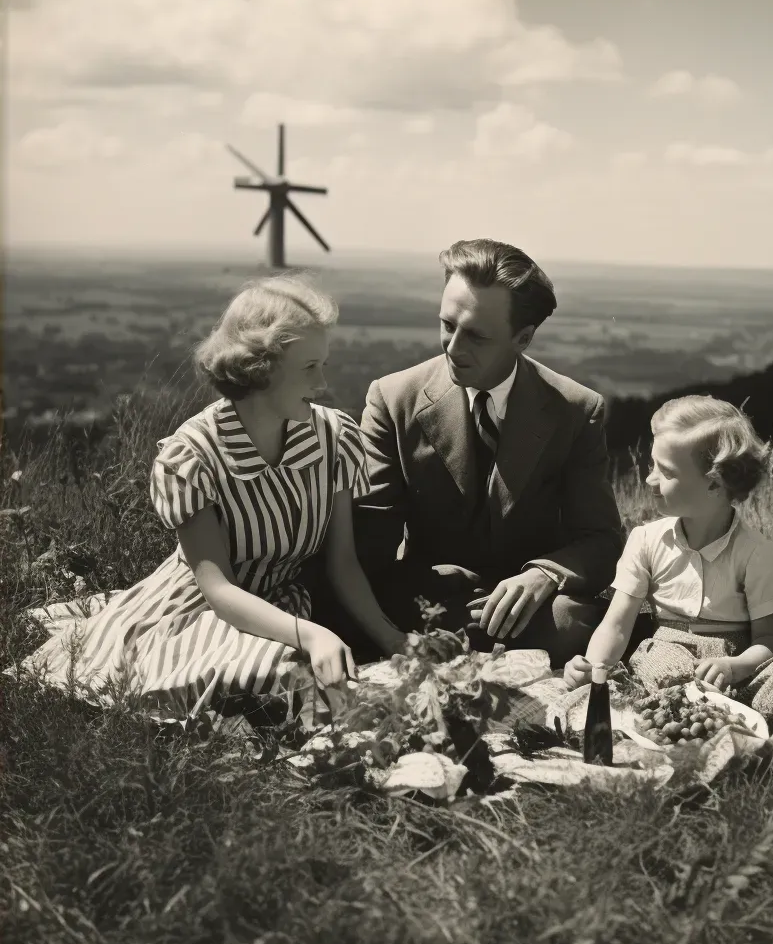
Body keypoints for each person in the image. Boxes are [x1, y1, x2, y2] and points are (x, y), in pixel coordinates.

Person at [16, 273, 412, 727]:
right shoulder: (193, 456)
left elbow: (342, 563)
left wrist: (391, 638)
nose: (323, 383)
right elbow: (220, 591)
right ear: (260, 368)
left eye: (323, 364)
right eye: (309, 367)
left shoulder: (333, 437)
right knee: (276, 682)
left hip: (280, 605)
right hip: (197, 611)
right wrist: (315, 635)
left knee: (304, 685)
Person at [310, 238, 625, 669]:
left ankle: (468, 655)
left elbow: (601, 539)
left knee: (571, 624)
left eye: (476, 336)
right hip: (432, 597)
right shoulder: (392, 398)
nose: (453, 347)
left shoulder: (577, 409)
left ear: (524, 338)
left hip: (530, 610)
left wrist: (542, 575)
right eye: (446, 324)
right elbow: (369, 541)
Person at [563, 395, 773, 724]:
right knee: (666, 670)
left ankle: (736, 721)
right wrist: (593, 667)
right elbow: (616, 625)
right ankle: (691, 717)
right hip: (669, 656)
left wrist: (735, 667)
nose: (649, 478)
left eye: (665, 472)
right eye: (652, 465)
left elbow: (770, 642)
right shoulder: (646, 540)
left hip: (737, 664)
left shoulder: (760, 553)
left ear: (713, 483)